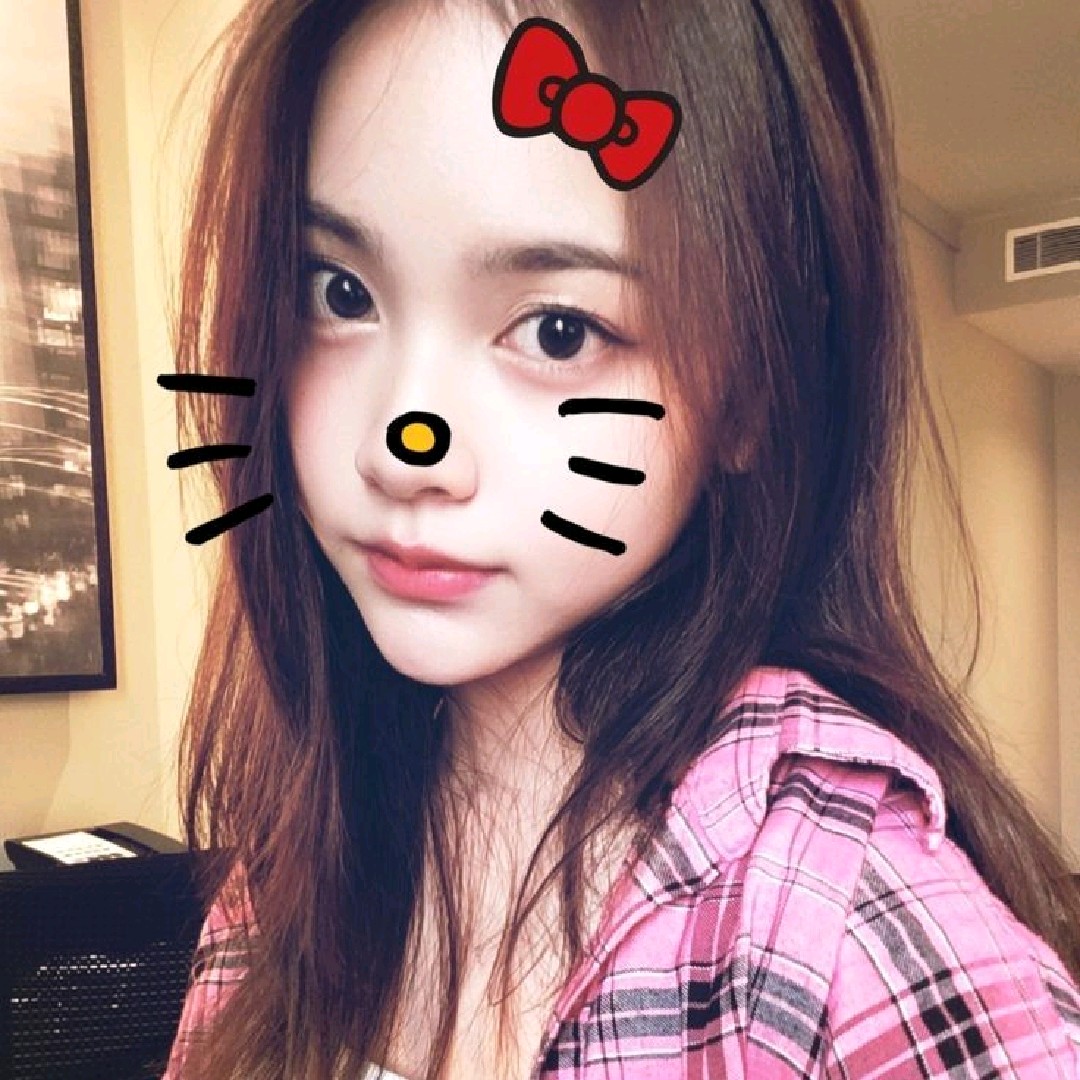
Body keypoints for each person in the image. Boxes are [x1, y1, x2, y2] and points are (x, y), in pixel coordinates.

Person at [159, 0, 1080, 1076]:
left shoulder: (843, 922)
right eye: (340, 293)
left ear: (750, 395)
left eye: (559, 331)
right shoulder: (286, 873)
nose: (403, 446)